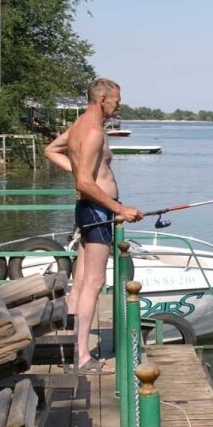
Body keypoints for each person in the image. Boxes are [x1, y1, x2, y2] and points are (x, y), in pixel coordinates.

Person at [44, 78, 143, 374]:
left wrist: (78, 171)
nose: (118, 106)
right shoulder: (92, 131)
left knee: (81, 281)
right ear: (102, 99)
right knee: (94, 282)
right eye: (116, 101)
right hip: (98, 211)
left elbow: (51, 150)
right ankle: (83, 356)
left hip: (91, 210)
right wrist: (120, 209)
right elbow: (85, 183)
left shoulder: (79, 125)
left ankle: (72, 348)